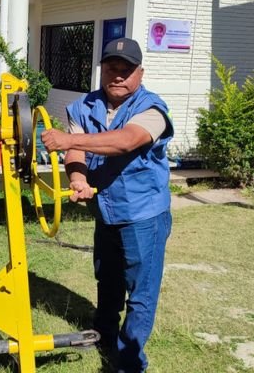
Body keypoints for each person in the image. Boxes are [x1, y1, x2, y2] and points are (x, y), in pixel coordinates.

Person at [41, 37, 173, 373]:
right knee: (107, 278)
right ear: (102, 70)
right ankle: (104, 336)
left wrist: (68, 139)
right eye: (112, 68)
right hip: (107, 210)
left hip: (143, 215)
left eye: (126, 69)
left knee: (140, 291)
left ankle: (129, 362)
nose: (118, 75)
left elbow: (126, 141)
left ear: (139, 73)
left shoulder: (152, 110)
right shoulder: (84, 106)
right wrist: (77, 180)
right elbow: (76, 154)